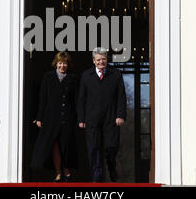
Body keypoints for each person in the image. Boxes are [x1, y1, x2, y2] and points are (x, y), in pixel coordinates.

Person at [77, 47, 127, 182]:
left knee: (111, 147)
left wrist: (120, 115)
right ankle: (97, 177)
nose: (101, 62)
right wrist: (81, 118)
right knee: (94, 149)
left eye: (103, 59)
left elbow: (121, 96)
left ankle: (111, 167)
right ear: (94, 61)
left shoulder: (115, 74)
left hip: (111, 118)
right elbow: (81, 98)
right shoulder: (86, 76)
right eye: (98, 59)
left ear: (107, 59)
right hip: (92, 119)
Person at [30, 51, 79, 182]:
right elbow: (43, 98)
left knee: (66, 145)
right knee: (54, 145)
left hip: (67, 117)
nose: (62, 65)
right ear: (56, 63)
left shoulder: (73, 79)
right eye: (60, 63)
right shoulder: (48, 77)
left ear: (68, 65)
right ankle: (58, 172)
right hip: (51, 117)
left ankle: (66, 169)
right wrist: (39, 117)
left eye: (65, 63)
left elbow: (77, 100)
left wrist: (79, 118)